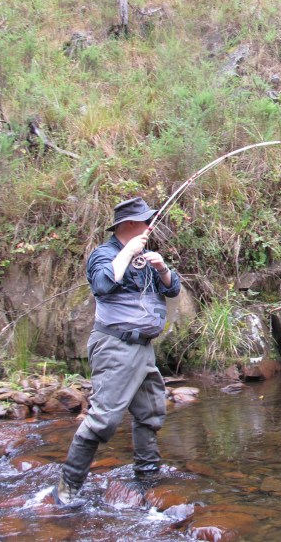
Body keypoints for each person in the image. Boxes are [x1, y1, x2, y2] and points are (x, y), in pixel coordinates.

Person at [53, 197, 181, 505]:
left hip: (143, 349)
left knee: (150, 412)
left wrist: (162, 268)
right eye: (144, 221)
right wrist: (127, 253)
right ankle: (67, 488)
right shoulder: (105, 254)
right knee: (103, 419)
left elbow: (173, 288)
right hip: (116, 346)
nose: (150, 226)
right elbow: (102, 284)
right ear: (128, 225)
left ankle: (148, 477)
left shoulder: (146, 255)